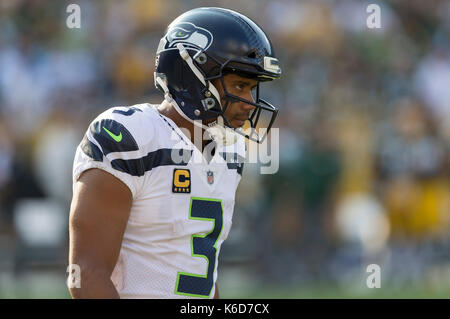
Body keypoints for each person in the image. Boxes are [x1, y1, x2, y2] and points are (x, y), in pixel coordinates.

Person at [68, 7, 281, 299]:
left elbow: (199, 274)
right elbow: (86, 273)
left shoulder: (230, 150)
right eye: (240, 85)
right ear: (191, 74)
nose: (248, 102)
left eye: (252, 88)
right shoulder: (128, 136)